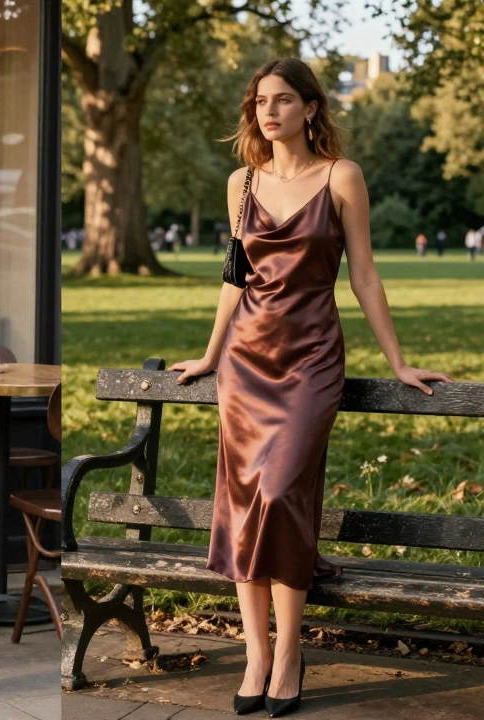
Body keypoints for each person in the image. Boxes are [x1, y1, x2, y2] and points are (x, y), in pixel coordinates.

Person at [170, 57, 451, 718]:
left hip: (311, 361)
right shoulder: (242, 182)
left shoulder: (341, 176)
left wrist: (399, 362)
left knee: (280, 494)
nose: (269, 111)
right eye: (260, 101)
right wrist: (210, 354)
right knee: (246, 505)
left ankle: (291, 651)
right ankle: (256, 656)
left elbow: (365, 275)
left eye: (283, 100)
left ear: (310, 107)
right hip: (245, 362)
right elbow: (234, 277)